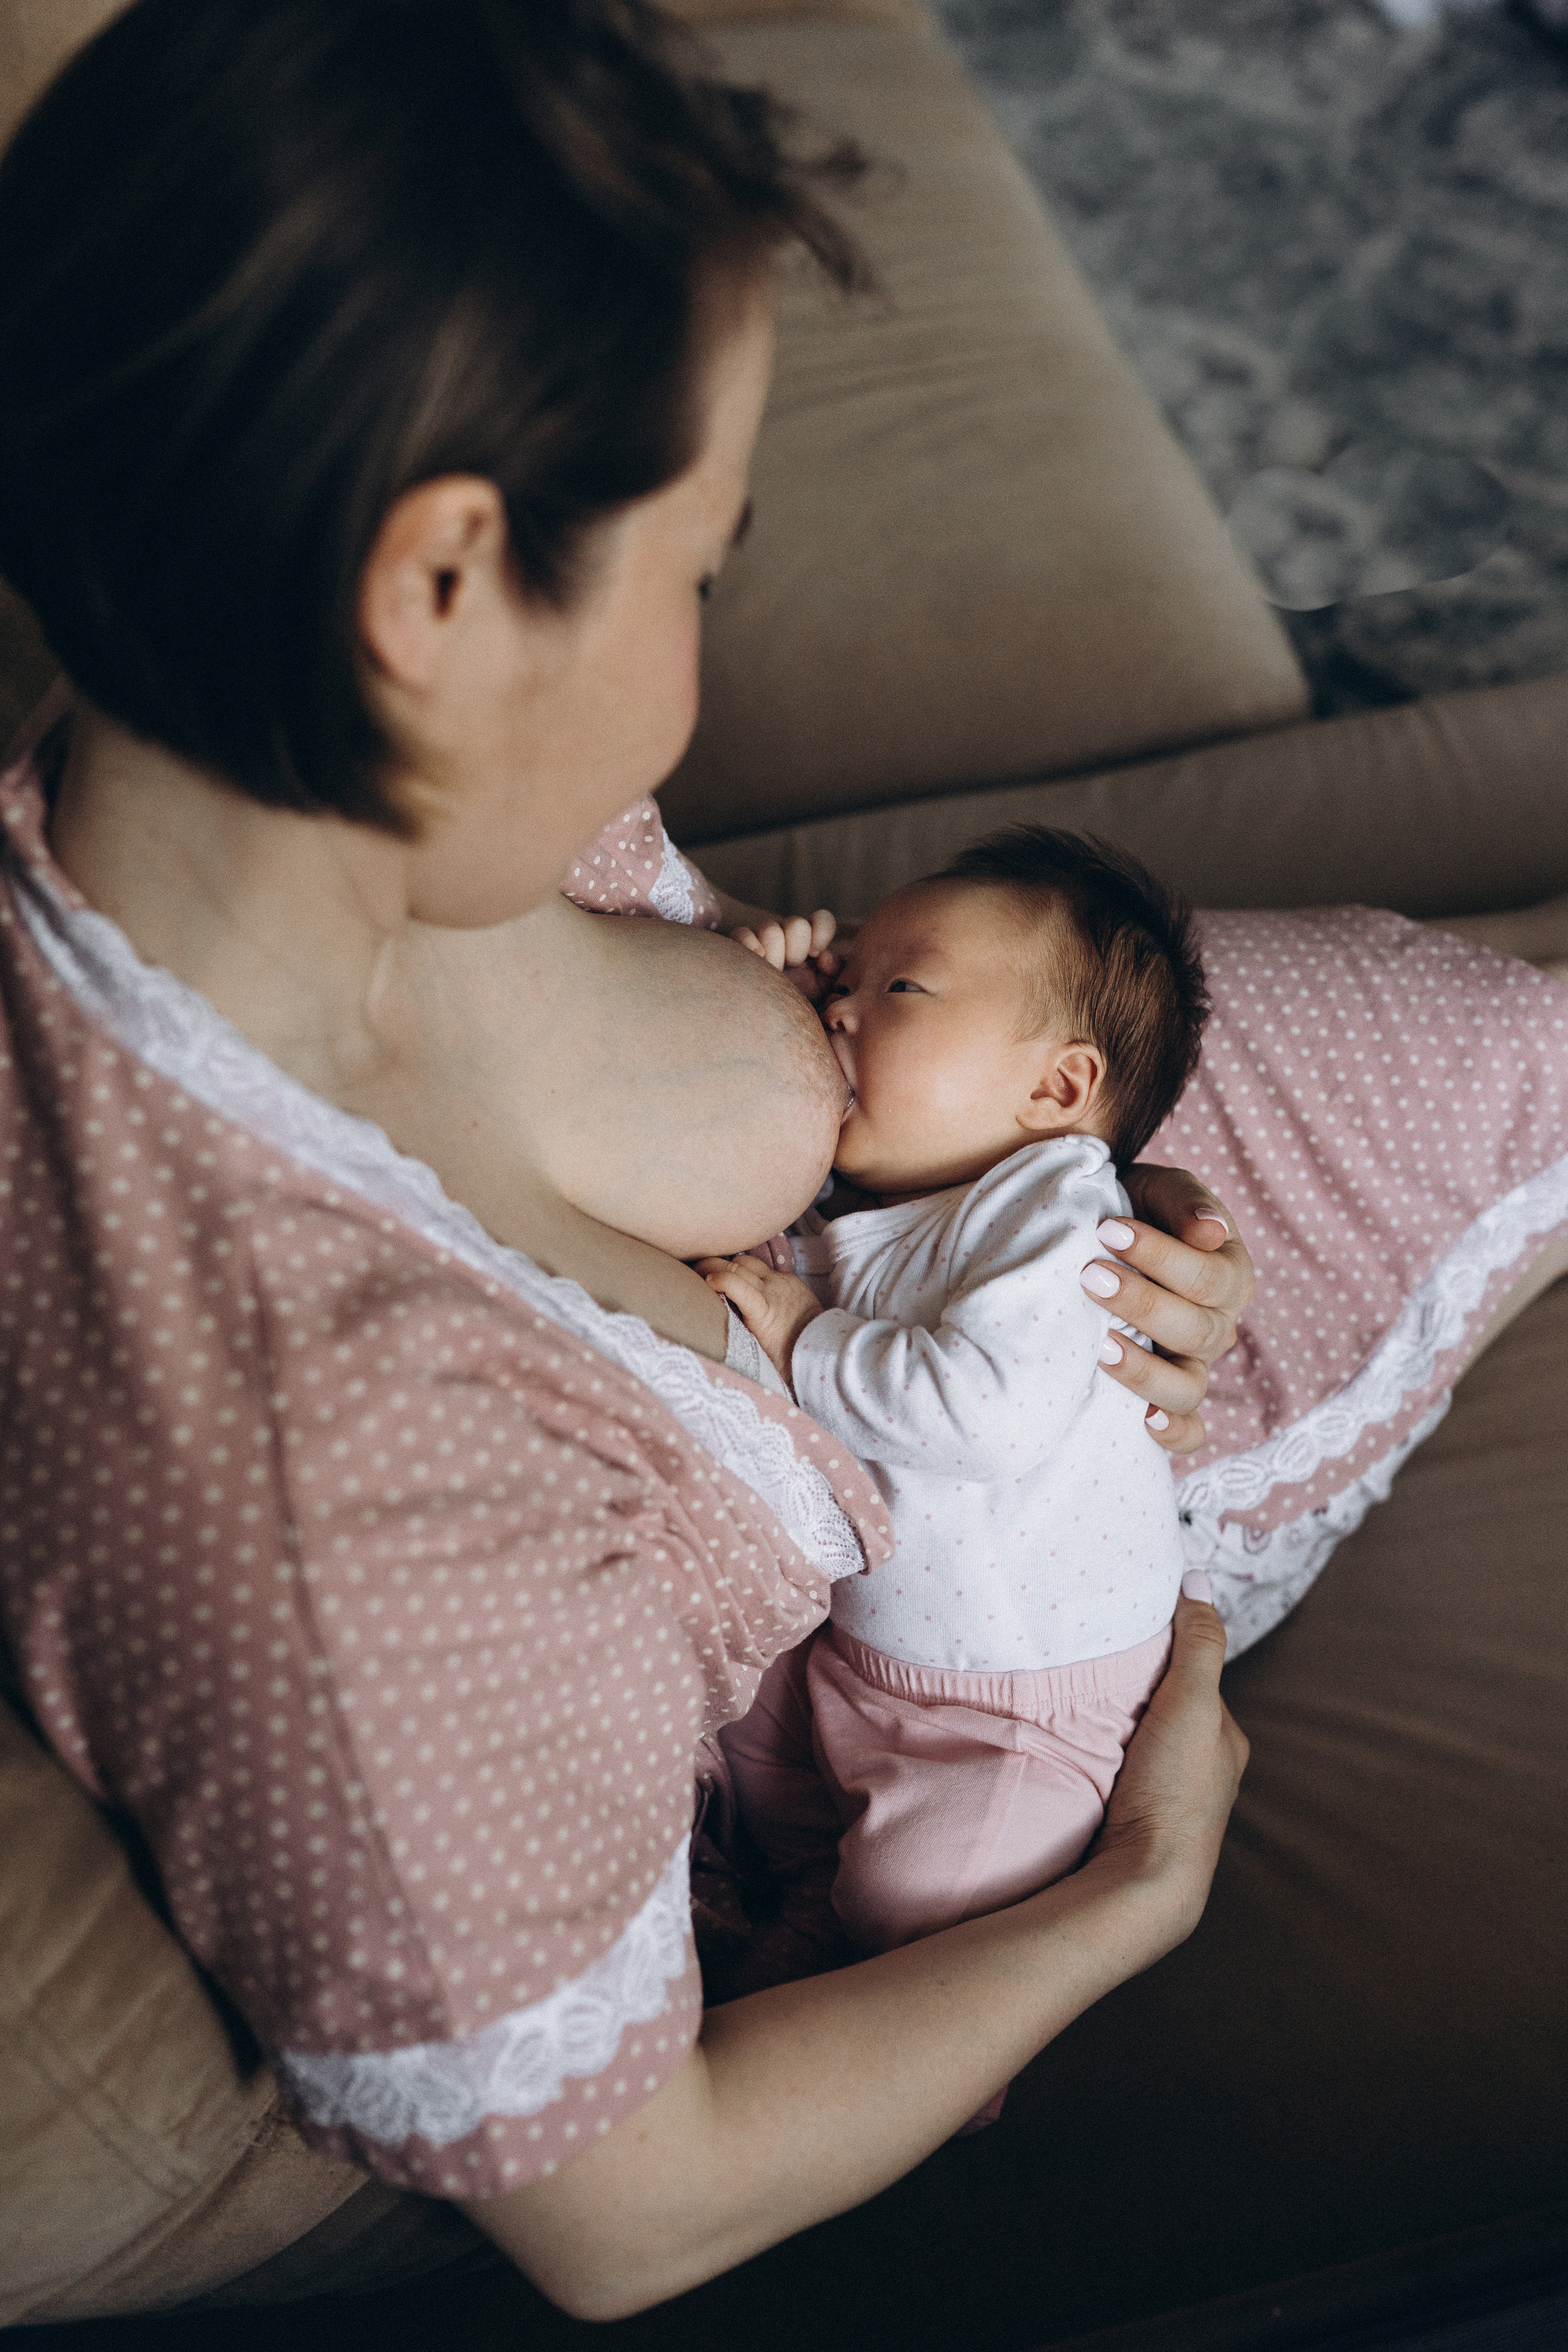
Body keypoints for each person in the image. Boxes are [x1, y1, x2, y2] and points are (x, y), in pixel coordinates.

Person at [0, 0, 1251, 2320]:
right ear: (444, 589)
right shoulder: (346, 1519)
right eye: (698, 564)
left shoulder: (263, 782)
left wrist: (1089, 1249)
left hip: (970, 1288)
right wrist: (1132, 1900)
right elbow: (637, 2207)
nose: (690, 661)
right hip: (954, 1715)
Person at [702, 829, 1208, 1970]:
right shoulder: (856, 1204)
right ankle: (787, 1925)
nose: (844, 1010)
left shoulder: (1054, 1212)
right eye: (845, 982)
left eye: (902, 988)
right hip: (862, 1661)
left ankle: (871, 2003)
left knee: (915, 1894)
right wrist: (761, 1007)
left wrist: (799, 1331)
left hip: (1021, 1721)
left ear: (1058, 1085)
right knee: (734, 1744)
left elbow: (984, 1412)